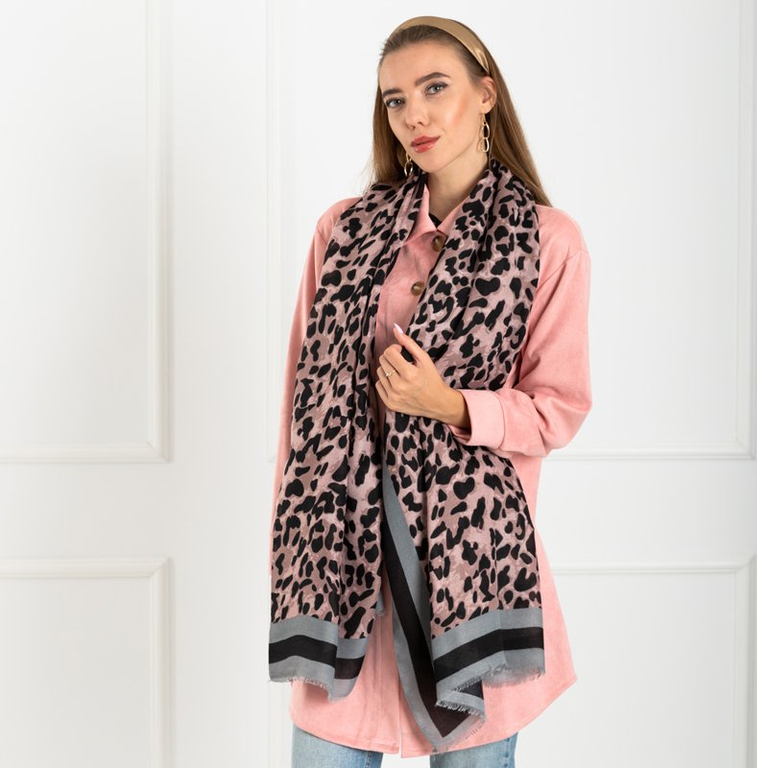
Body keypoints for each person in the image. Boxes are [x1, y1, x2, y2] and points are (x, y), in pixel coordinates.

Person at [269, 15, 592, 767]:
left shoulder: (549, 241)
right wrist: (292, 546)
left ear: (486, 94)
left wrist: (450, 404)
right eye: (395, 100)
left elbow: (559, 408)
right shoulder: (341, 232)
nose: (413, 114)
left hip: (474, 583)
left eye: (434, 88)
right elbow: (298, 410)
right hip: (343, 580)